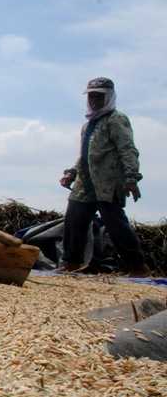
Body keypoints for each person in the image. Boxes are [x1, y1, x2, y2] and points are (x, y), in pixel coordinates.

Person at [58, 77, 149, 276]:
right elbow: (85, 156)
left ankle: (137, 267)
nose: (94, 100)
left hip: (107, 183)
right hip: (85, 183)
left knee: (115, 224)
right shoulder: (88, 125)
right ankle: (70, 263)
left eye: (99, 96)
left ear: (108, 97)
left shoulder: (116, 119)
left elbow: (127, 149)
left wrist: (131, 177)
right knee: (74, 221)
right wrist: (72, 173)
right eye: (91, 96)